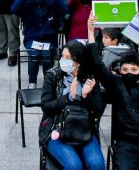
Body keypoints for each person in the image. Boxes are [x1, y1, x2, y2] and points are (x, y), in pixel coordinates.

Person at [87, 12, 139, 170]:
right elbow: (97, 64)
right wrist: (90, 30)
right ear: (120, 70)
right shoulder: (116, 83)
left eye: (134, 69)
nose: (129, 72)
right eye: (125, 69)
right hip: (125, 143)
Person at [39, 41, 104, 170]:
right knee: (74, 165)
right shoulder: (52, 75)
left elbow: (98, 111)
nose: (63, 60)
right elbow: (46, 107)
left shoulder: (90, 78)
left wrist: (86, 96)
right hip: (57, 130)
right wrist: (68, 98)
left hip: (84, 131)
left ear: (79, 61)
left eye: (68, 58)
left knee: (97, 165)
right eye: (63, 56)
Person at [11, 0, 69, 89]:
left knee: (47, 56)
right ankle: (32, 82)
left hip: (49, 38)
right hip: (32, 38)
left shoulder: (51, 4)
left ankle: (48, 82)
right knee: (34, 56)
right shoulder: (27, 4)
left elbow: (65, 10)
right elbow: (14, 9)